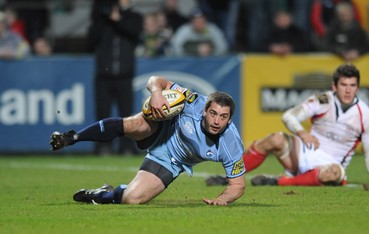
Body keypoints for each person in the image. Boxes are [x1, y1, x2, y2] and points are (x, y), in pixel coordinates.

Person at [49, 75, 246, 206]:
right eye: (213, 113)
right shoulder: (193, 102)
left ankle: (101, 195)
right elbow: (154, 80)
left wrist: (222, 200)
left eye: (223, 117)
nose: (216, 121)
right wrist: (156, 93)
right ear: (204, 111)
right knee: (137, 124)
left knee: (133, 199)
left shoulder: (231, 142)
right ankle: (74, 137)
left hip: (171, 161)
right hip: (161, 128)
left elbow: (237, 185)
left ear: (229, 120)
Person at [206, 64, 369, 187]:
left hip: (330, 164)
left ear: (357, 87)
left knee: (334, 173)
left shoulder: (366, 116)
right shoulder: (323, 101)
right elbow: (289, 116)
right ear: (334, 86)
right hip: (304, 152)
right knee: (275, 138)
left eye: (353, 85)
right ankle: (229, 179)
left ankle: (279, 181)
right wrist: (302, 134)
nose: (348, 90)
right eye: (344, 85)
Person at [88, 0, 143, 155]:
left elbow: (134, 32)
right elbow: (91, 40)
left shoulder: (134, 17)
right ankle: (103, 146)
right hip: (103, 76)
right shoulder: (101, 20)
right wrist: (103, 17)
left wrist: (118, 19)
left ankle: (126, 146)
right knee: (102, 113)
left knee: (126, 114)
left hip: (124, 75)